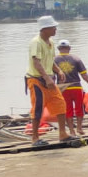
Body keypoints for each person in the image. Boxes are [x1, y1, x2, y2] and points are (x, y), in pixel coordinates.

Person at [25, 15, 70, 145]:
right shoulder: (36, 42)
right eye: (53, 27)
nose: (55, 29)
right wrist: (46, 77)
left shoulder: (50, 43)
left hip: (49, 79)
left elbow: (50, 61)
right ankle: (35, 137)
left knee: (60, 104)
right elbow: (36, 63)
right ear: (45, 29)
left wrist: (59, 70)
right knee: (38, 107)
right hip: (36, 79)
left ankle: (63, 134)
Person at [54, 40, 88, 137]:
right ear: (69, 48)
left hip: (63, 88)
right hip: (76, 87)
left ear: (58, 49)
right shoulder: (76, 59)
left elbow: (52, 76)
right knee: (79, 109)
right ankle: (79, 127)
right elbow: (84, 75)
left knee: (67, 110)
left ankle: (71, 131)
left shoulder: (54, 60)